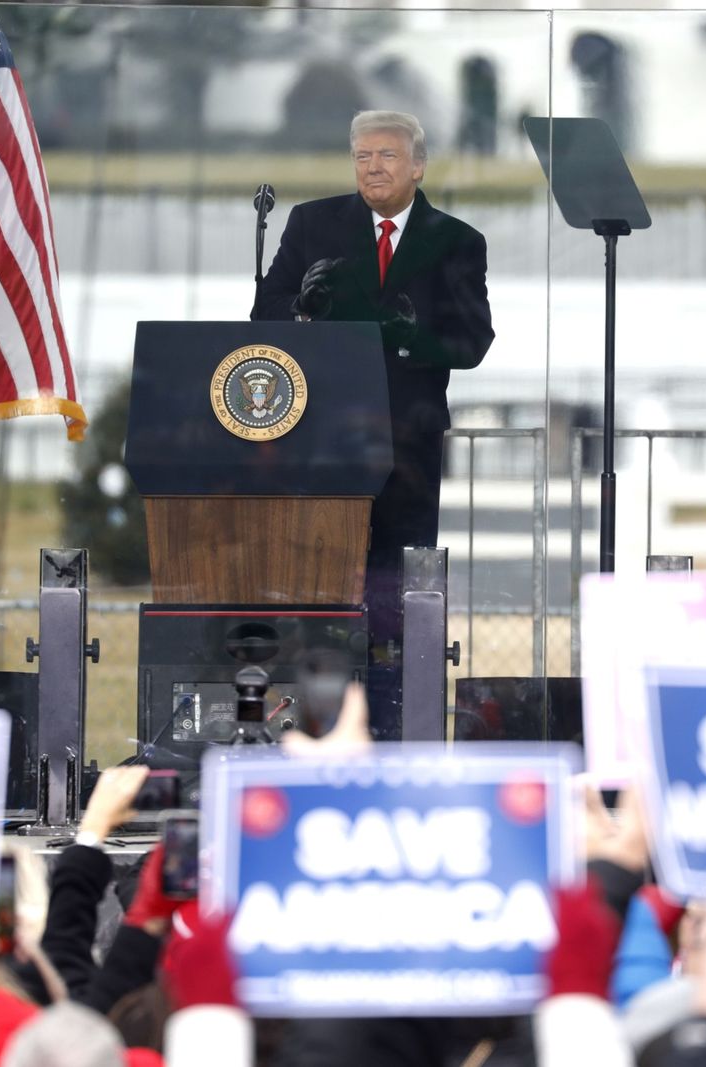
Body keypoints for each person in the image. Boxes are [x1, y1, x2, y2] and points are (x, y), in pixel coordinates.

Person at [251, 110, 494, 737]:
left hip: (407, 445)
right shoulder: (314, 223)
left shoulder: (456, 241)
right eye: (362, 156)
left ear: (417, 166)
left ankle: (393, 723)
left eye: (386, 156)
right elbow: (264, 312)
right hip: (324, 439)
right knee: (324, 581)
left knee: (397, 589)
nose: (373, 167)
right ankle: (318, 723)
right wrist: (302, 313)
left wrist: (414, 339)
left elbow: (472, 342)